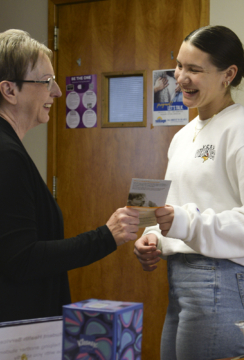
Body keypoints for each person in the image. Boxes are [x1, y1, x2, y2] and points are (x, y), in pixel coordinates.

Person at [134, 25, 244, 360]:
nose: (180, 78)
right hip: (180, 280)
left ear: (228, 74)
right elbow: (178, 209)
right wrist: (154, 236)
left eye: (194, 70)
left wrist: (185, 224)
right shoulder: (184, 135)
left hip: (222, 282)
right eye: (179, 66)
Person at [0, 29, 140, 322]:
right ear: (9, 91)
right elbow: (21, 259)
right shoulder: (6, 155)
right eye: (46, 81)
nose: (57, 92)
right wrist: (106, 237)